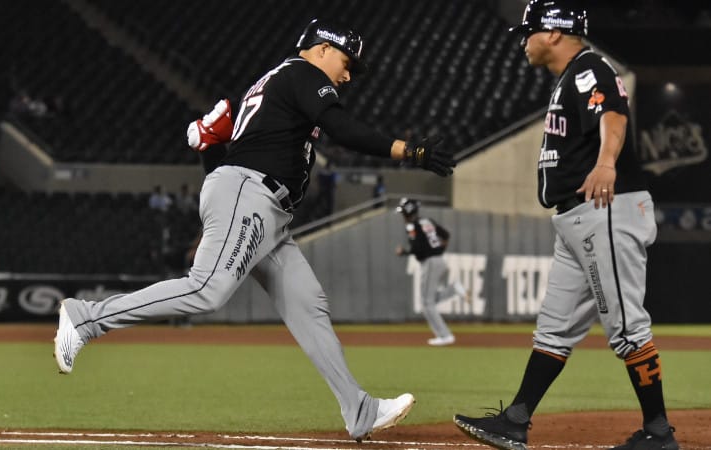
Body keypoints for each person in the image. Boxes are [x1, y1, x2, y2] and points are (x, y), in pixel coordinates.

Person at [53, 18, 454, 442]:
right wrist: (408, 151)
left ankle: (359, 408)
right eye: (346, 60)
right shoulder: (302, 73)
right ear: (320, 49)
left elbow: (235, 155)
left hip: (264, 208)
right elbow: (340, 129)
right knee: (207, 289)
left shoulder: (278, 84)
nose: (349, 73)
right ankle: (86, 318)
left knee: (308, 305)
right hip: (250, 195)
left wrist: (209, 148)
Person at [453, 2, 679, 450]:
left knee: (628, 328)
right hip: (576, 218)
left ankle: (658, 431)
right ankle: (515, 420)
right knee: (553, 329)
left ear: (554, 33)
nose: (523, 39)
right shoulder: (570, 76)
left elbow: (614, 114)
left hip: (606, 207)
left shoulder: (588, 67)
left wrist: (606, 163)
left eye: (530, 31)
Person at [394, 198, 467, 346]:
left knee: (426, 303)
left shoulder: (412, 226)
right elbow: (445, 235)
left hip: (430, 262)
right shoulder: (427, 221)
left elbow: (417, 249)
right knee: (430, 300)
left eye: (403, 212)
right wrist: (438, 251)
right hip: (439, 260)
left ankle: (445, 335)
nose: (402, 216)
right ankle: (454, 289)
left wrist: (404, 252)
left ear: (408, 212)